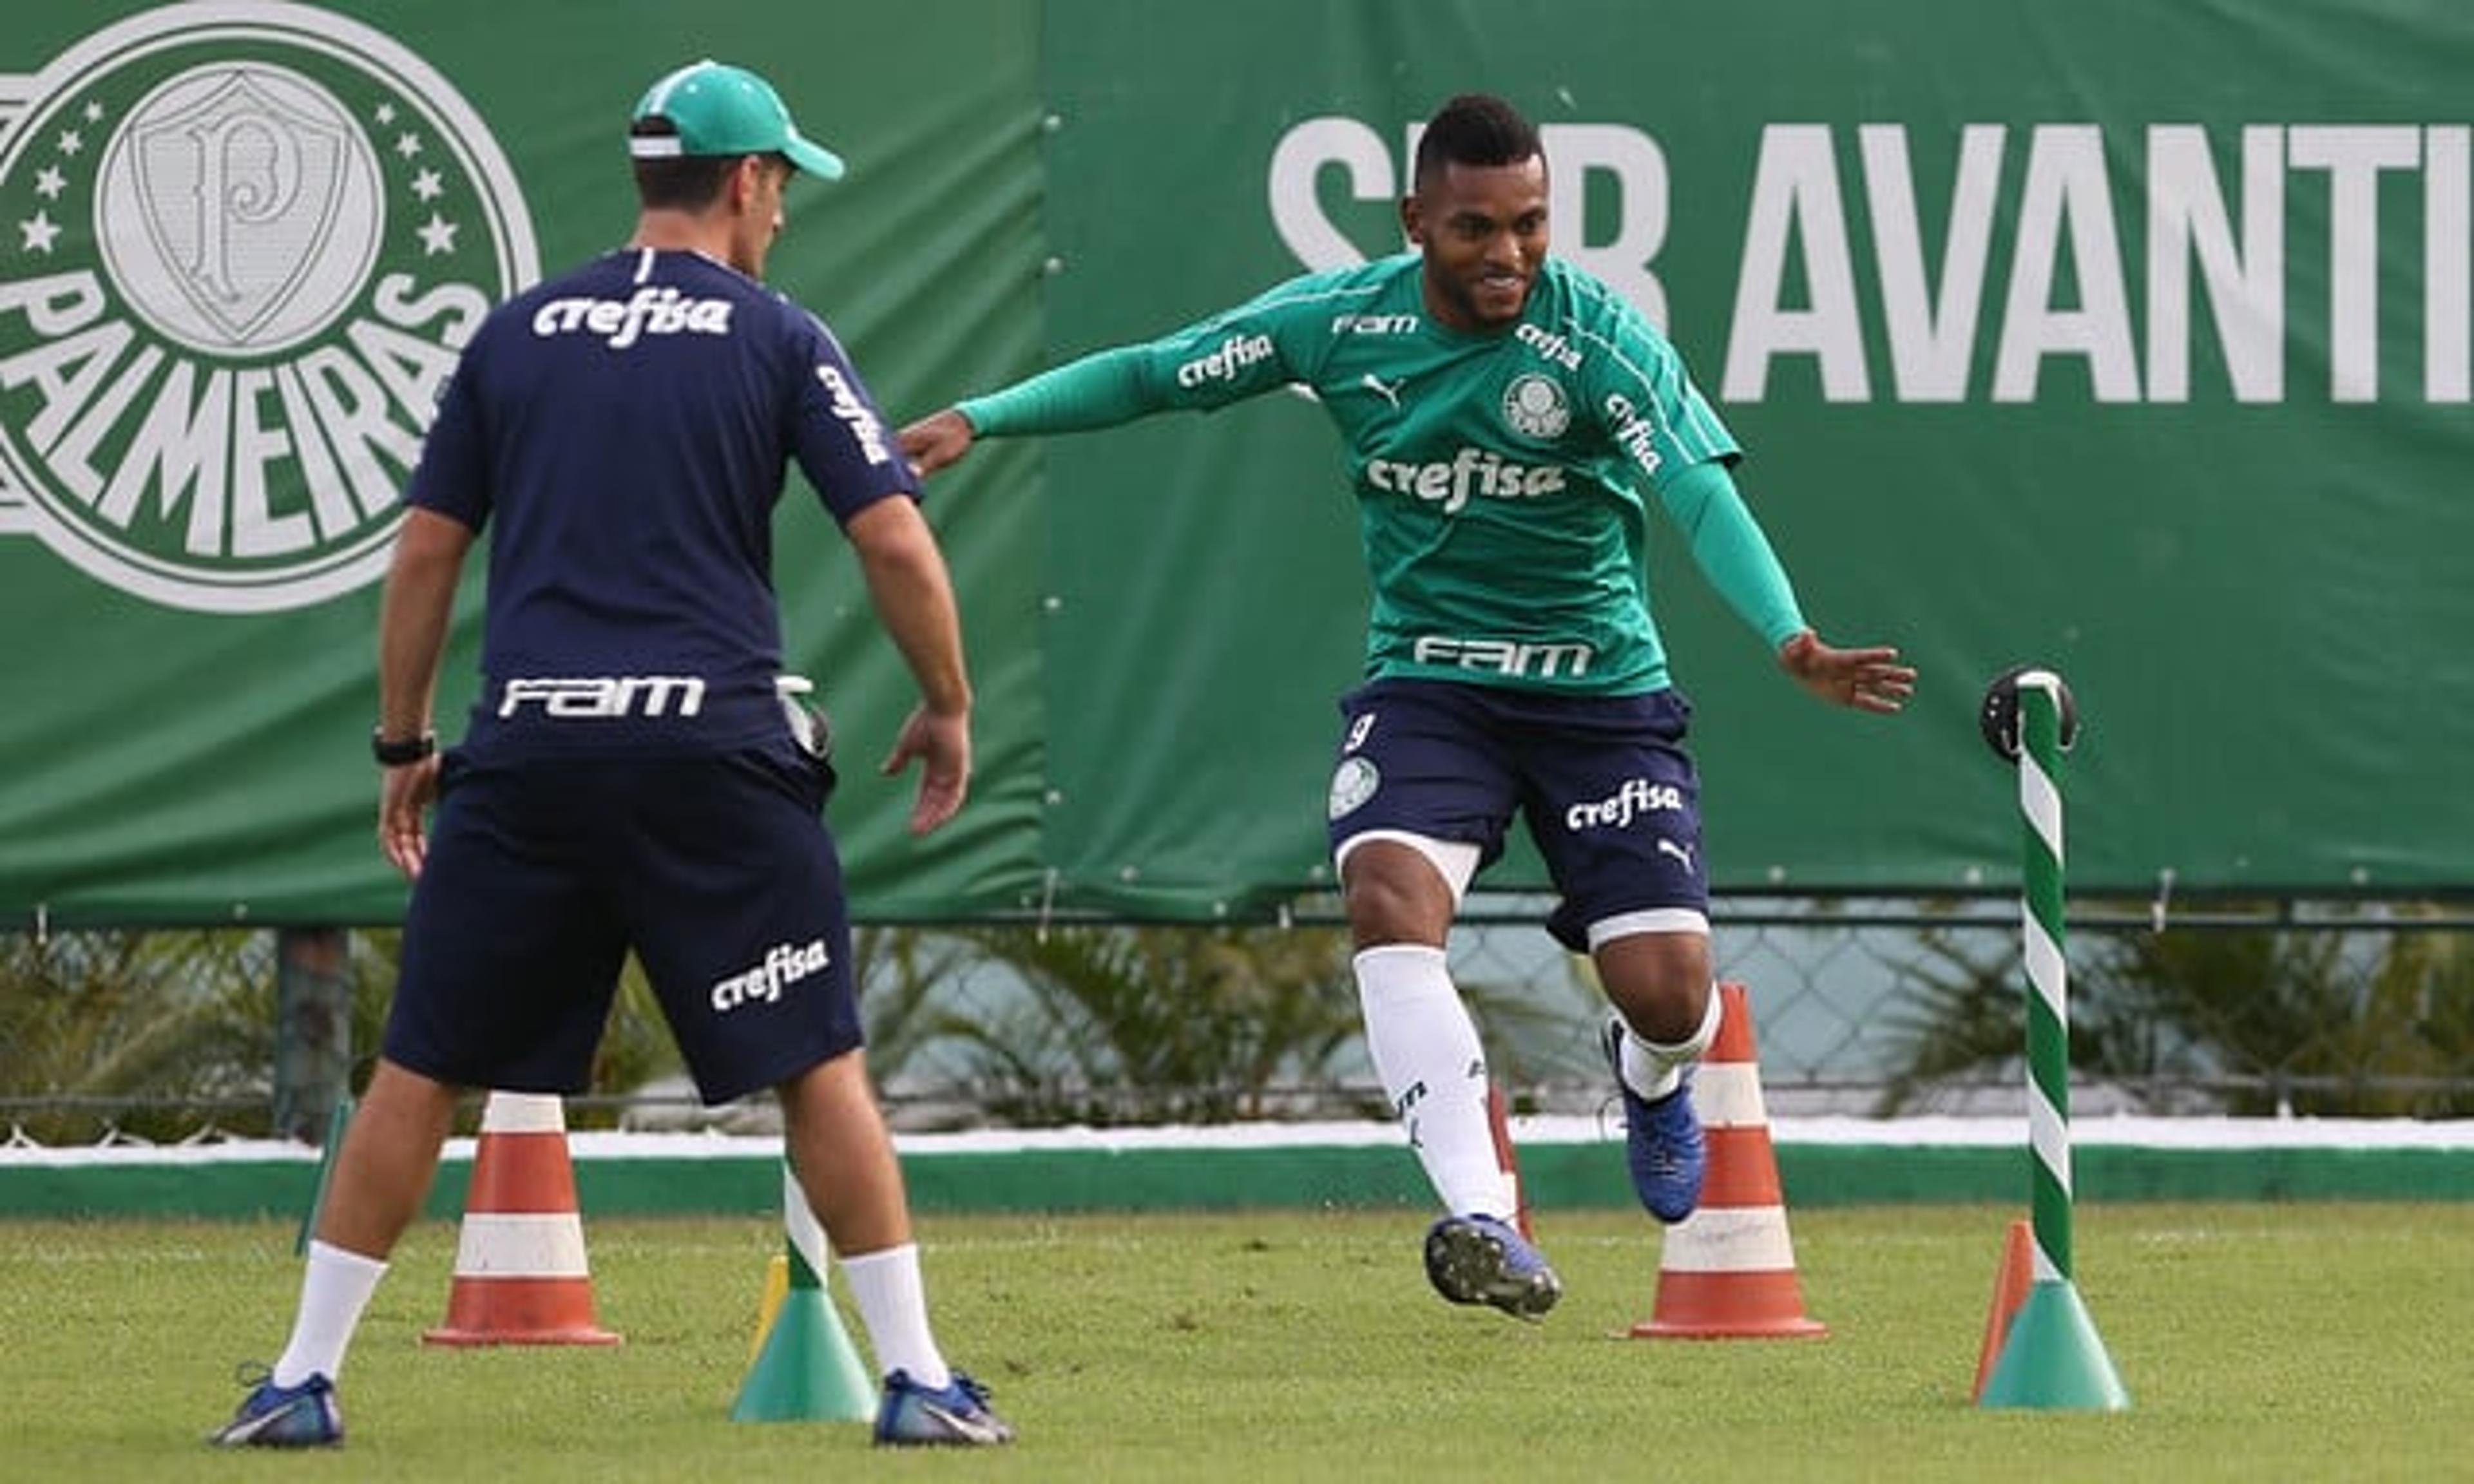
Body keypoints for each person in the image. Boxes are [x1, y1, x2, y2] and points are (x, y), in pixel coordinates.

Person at [899, 93, 1913, 1320]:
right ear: (1415, 220)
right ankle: (1484, 1214)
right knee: (1387, 896)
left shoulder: (1596, 340)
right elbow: (1155, 374)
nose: (1509, 256)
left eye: (1532, 226)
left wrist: (1789, 638)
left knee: (1667, 992)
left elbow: (1698, 494)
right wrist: (980, 418)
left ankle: (1651, 1080)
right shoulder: (1340, 322)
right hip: (1431, 687)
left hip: (1599, 698)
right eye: (1478, 228)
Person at [211, 61, 1013, 1447]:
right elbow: (889, 533)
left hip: (529, 759)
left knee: (418, 1069)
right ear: (749, 181)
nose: (784, 217)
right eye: (784, 188)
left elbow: (423, 556)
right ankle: (918, 1380)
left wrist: (407, 738)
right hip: (712, 758)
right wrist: (946, 700)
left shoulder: (514, 335)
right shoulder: (777, 334)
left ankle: (301, 1380)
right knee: (818, 1060)